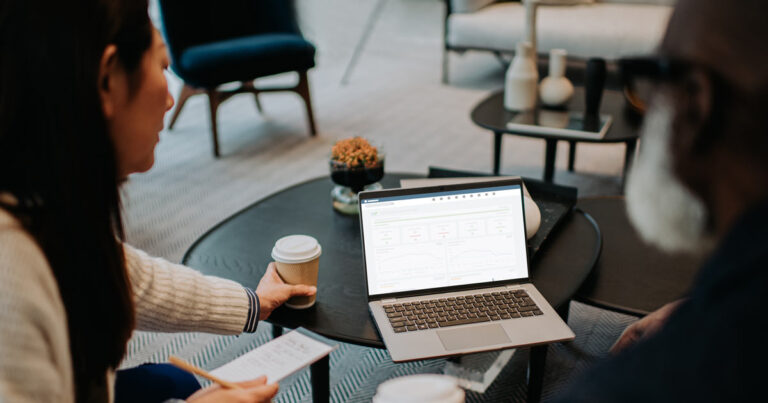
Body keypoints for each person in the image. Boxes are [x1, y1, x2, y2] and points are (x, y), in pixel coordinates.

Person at [0, 1, 315, 402]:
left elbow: (127, 277)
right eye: (163, 67)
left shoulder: (44, 204)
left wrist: (253, 303)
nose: (170, 99)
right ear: (108, 80)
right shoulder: (11, 269)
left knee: (173, 382)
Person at [555, 0, 768, 401]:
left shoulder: (636, 387)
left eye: (651, 77)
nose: (648, 103)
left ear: (697, 104)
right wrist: (689, 310)